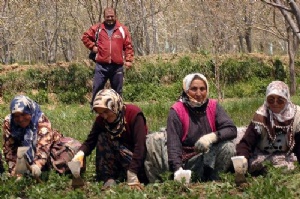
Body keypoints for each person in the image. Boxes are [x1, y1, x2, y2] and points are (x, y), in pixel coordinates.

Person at [71, 89, 148, 190]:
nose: (105, 116)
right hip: (119, 161)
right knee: (102, 137)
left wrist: (132, 172)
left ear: (115, 106)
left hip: (138, 163)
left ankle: (129, 175)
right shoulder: (101, 120)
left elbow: (140, 146)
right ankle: (107, 178)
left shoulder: (133, 114)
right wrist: (80, 154)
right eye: (101, 113)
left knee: (110, 140)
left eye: (107, 111)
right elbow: (90, 142)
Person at [166, 73, 237, 182]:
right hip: (190, 160)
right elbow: (173, 145)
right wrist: (177, 169)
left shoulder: (213, 106)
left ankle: (214, 179)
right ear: (186, 90)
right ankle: (200, 178)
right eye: (194, 89)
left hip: (210, 153)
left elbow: (231, 129)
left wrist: (210, 138)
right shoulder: (177, 110)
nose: (198, 93)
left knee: (228, 147)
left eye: (202, 89)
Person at [234, 81, 300, 184]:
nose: (275, 103)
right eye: (271, 99)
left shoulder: (296, 116)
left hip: (285, 154)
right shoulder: (261, 116)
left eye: (280, 100)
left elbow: (299, 143)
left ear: (287, 100)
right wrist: (243, 159)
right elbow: (247, 142)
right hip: (262, 153)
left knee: (282, 167)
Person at [2, 95, 82, 179]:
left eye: (23, 114)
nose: (21, 119)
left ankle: (47, 167)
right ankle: (25, 169)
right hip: (24, 151)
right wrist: (14, 169)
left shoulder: (40, 120)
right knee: (19, 164)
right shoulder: (9, 122)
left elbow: (43, 146)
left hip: (50, 147)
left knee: (73, 151)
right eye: (16, 116)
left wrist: (37, 164)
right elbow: (9, 148)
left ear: (30, 111)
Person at [81, 7, 134, 105]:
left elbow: (128, 46)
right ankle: (95, 108)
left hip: (117, 66)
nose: (110, 18)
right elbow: (85, 37)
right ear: (104, 17)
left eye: (112, 16)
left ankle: (118, 110)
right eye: (107, 16)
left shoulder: (122, 29)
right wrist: (92, 47)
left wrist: (129, 60)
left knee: (118, 91)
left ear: (115, 16)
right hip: (101, 66)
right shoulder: (97, 28)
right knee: (97, 88)